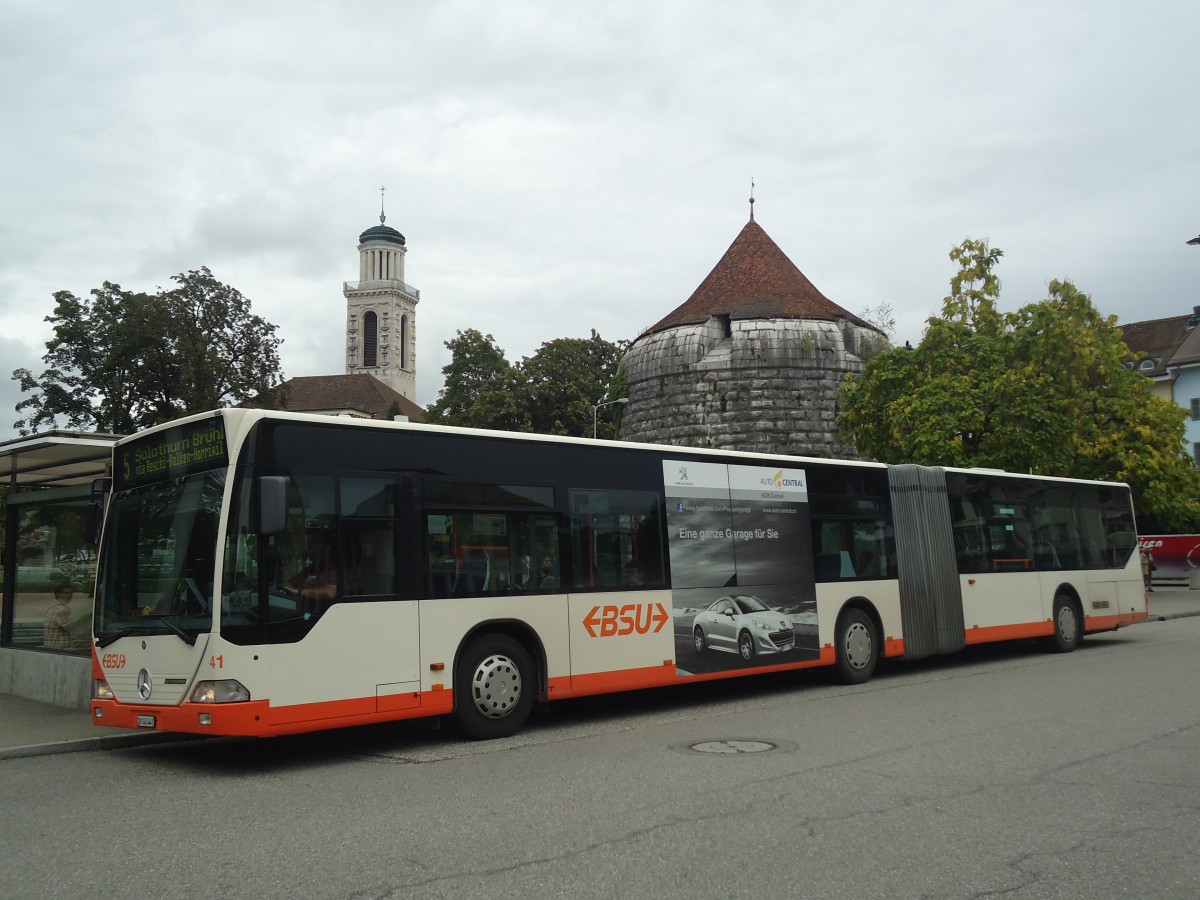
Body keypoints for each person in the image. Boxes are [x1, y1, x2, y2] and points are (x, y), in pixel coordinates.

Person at [283, 531, 339, 609]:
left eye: (312, 545)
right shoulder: (311, 569)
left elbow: (331, 592)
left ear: (326, 547)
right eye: (308, 545)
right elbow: (290, 584)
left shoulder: (334, 568)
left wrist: (300, 592)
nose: (309, 550)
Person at [43, 582, 73, 649]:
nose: (70, 595)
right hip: (59, 648)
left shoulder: (53, 607)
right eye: (66, 593)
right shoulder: (62, 610)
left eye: (71, 593)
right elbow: (70, 628)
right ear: (58, 595)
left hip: (51, 647)